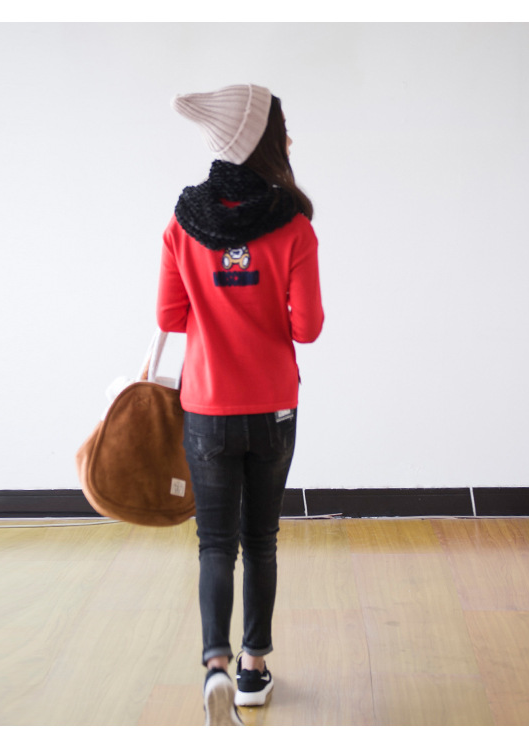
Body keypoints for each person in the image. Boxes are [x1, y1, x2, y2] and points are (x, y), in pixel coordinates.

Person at [156, 84, 324, 726]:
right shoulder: (294, 225)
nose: (289, 138)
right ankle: (254, 669)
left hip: (207, 406)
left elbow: (169, 316)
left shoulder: (183, 222)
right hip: (274, 405)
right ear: (261, 140)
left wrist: (216, 299)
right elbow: (307, 327)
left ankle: (216, 666)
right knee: (261, 540)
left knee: (214, 544)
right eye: (283, 128)